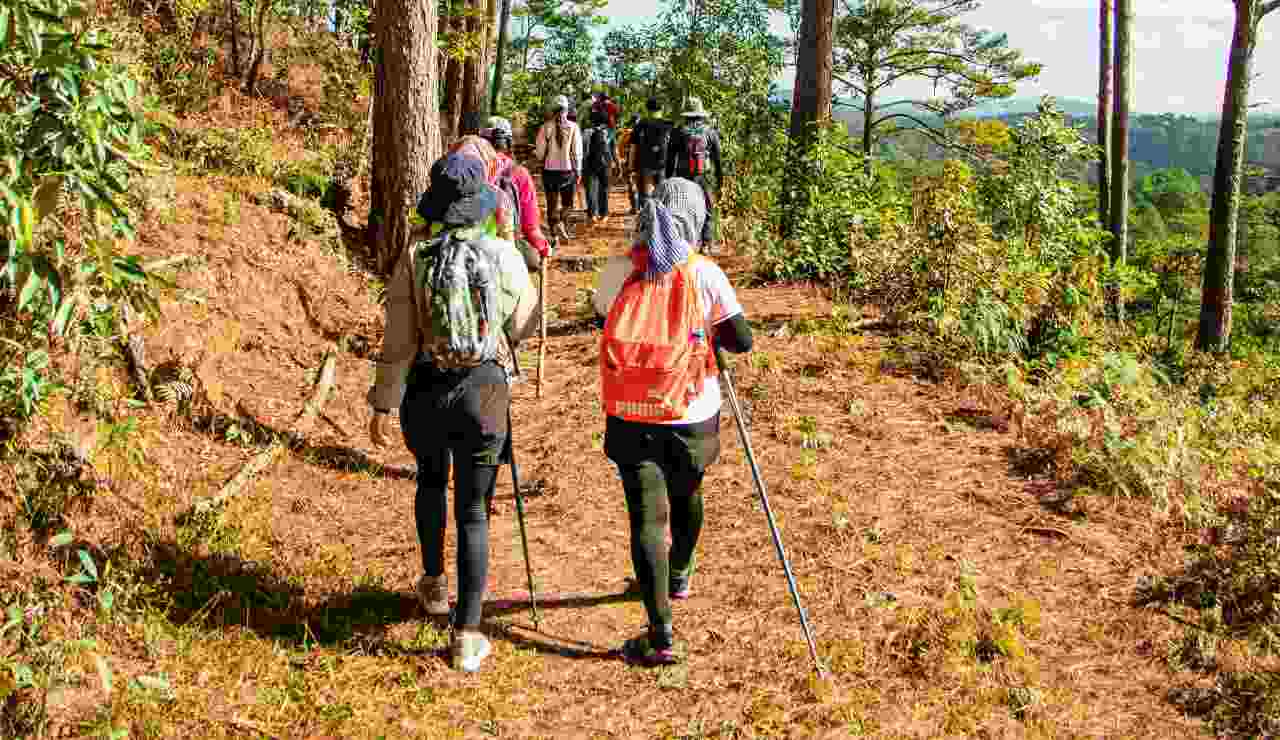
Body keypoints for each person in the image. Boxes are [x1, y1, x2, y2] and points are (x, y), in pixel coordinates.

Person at [368, 153, 539, 673]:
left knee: (429, 482)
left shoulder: (416, 256)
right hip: (482, 392)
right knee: (473, 510)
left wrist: (383, 400)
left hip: (425, 389)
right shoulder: (502, 255)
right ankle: (467, 634)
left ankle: (434, 584)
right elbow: (525, 323)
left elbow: (399, 337)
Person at [597, 195, 753, 666]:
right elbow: (741, 340)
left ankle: (660, 633)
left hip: (630, 412)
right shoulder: (704, 272)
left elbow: (600, 316)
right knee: (687, 495)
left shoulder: (621, 269)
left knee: (646, 519)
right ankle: (680, 570)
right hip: (691, 413)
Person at [480, 116, 552, 270]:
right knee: (533, 260)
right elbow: (530, 227)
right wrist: (543, 247)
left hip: (472, 243)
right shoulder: (519, 173)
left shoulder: (470, 170)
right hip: (508, 245)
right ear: (507, 143)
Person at [665, 96, 723, 249]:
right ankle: (706, 243)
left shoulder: (678, 131)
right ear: (701, 114)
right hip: (704, 177)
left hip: (683, 176)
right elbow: (718, 160)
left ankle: (681, 242)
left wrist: (669, 178)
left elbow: (670, 158)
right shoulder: (710, 132)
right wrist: (719, 181)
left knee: (680, 208)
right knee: (708, 209)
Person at [534, 95, 582, 241]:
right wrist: (578, 170)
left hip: (550, 171)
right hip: (568, 171)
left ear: (552, 111)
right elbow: (577, 152)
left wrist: (537, 156)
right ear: (567, 110)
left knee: (551, 203)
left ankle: (554, 235)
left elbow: (540, 154)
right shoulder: (574, 127)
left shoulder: (545, 128)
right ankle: (562, 224)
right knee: (568, 203)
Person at [631, 98, 671, 210]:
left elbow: (633, 148)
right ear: (661, 109)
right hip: (663, 164)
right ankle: (661, 219)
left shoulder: (640, 125)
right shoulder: (668, 125)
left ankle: (649, 218)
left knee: (647, 194)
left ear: (647, 109)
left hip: (645, 164)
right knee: (661, 195)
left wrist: (631, 167)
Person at [582, 110, 614, 224]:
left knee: (590, 190)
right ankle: (604, 214)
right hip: (604, 164)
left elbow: (583, 150)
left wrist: (582, 165)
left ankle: (592, 215)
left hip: (589, 164)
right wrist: (614, 164)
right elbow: (612, 150)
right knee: (604, 190)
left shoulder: (586, 132)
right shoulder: (608, 133)